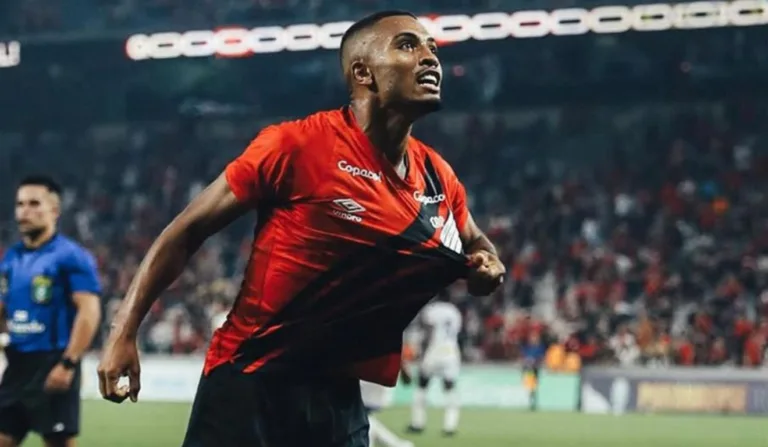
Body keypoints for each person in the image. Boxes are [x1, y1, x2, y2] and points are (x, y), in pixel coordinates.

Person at [97, 10, 505, 447]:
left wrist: (488, 264)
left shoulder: (438, 176)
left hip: (338, 397)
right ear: (362, 73)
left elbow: (475, 241)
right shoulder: (297, 145)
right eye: (408, 45)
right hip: (252, 383)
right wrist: (123, 331)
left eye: (432, 48)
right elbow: (187, 230)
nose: (430, 58)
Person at [0, 176, 102, 447]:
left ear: (54, 211)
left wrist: (68, 363)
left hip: (53, 362)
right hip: (17, 363)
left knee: (58, 442)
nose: (25, 211)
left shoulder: (72, 256)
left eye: (34, 204)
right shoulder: (11, 257)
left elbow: (89, 312)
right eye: (20, 204)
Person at [407, 295, 463, 436]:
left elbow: (428, 332)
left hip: (434, 351)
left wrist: (422, 354)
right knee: (450, 388)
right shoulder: (455, 311)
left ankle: (417, 423)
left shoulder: (430, 309)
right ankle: (450, 427)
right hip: (451, 352)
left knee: (422, 386)